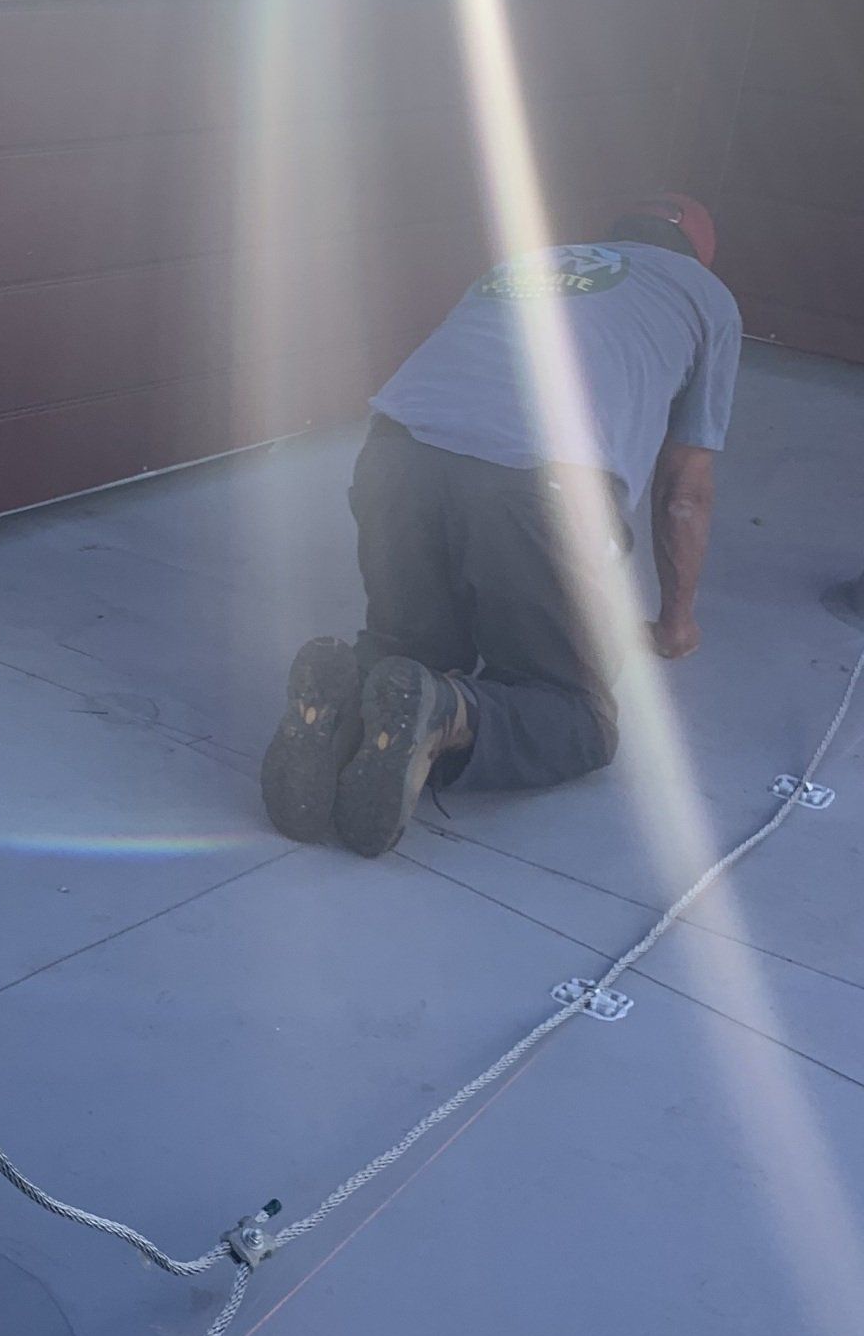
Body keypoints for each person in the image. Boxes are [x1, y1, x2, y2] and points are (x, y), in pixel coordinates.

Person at [261, 195, 741, 858]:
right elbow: (684, 491)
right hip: (541, 482)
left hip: (396, 453)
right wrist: (675, 623)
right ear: (700, 258)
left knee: (410, 647)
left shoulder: (534, 260)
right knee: (576, 715)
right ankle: (445, 711)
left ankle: (345, 703)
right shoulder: (707, 297)